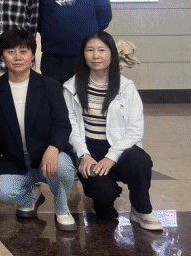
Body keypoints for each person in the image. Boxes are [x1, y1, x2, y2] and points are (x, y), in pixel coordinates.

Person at [63, 31, 162, 230]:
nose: (96, 55)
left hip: (120, 149)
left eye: (102, 50)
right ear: (83, 54)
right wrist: (83, 155)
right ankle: (102, 201)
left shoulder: (126, 87)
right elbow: (70, 126)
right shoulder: (71, 87)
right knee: (105, 208)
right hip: (90, 152)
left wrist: (111, 156)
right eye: (90, 50)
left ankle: (141, 209)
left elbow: (136, 129)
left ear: (111, 54)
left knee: (140, 160)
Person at [0, 29, 77, 231]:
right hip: (14, 160)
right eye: (11, 52)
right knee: (0, 191)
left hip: (47, 155)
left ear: (32, 55)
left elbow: (62, 124)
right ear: (2, 56)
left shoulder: (50, 86)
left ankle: (62, 207)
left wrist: (54, 147)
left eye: (24, 51)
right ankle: (31, 196)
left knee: (63, 167)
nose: (18, 57)